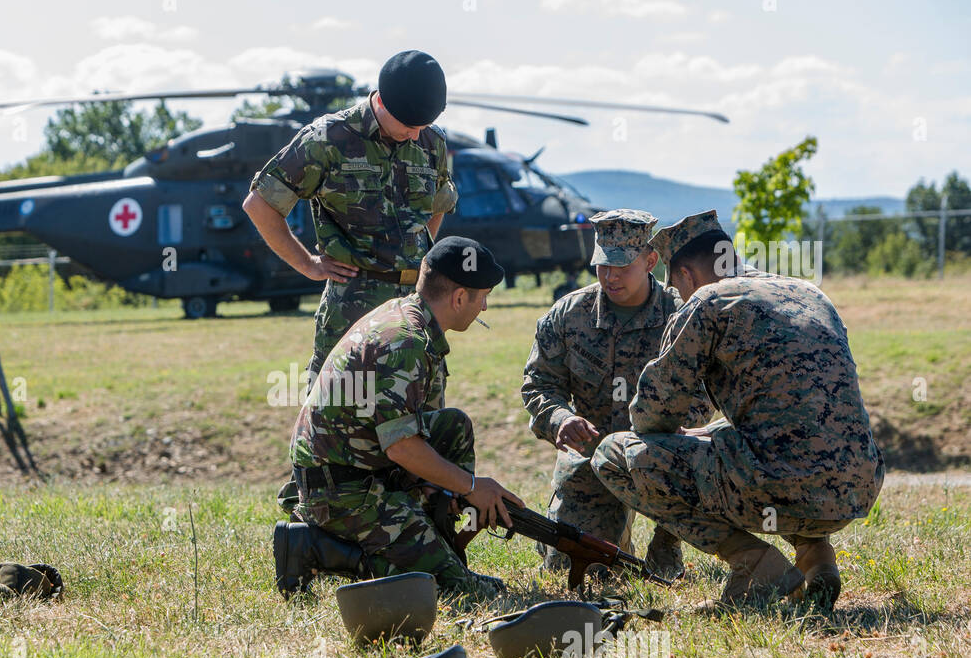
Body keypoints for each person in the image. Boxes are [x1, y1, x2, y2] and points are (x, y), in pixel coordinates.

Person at [590, 210, 886, 612]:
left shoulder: (707, 301)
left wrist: (680, 433)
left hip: (780, 483)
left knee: (614, 454)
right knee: (771, 439)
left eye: (675, 287)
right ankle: (816, 559)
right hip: (858, 483)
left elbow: (651, 415)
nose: (676, 296)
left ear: (687, 277)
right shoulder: (810, 293)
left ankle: (754, 563)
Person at [243, 51, 458, 519]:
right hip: (353, 305)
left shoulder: (432, 141)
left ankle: (412, 523)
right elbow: (261, 205)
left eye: (425, 125)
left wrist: (420, 255)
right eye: (408, 124)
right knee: (339, 419)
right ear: (381, 102)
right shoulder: (328, 139)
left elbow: (439, 203)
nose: (416, 134)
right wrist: (308, 265)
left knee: (421, 414)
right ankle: (316, 525)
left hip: (416, 307)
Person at [273, 236, 523, 600]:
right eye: (482, 296)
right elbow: (403, 449)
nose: (483, 308)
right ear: (458, 298)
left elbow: (412, 431)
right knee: (458, 591)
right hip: (342, 491)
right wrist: (471, 486)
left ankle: (427, 535)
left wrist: (443, 487)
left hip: (360, 467)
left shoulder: (406, 315)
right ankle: (312, 545)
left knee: (452, 426)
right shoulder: (404, 341)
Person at [521, 209, 708, 581]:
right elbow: (538, 383)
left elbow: (704, 392)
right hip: (593, 453)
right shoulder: (569, 314)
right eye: (603, 266)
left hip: (663, 450)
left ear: (651, 261)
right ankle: (578, 519)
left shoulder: (682, 313)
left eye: (622, 267)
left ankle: (668, 535)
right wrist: (561, 419)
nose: (610, 276)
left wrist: (668, 431)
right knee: (580, 565)